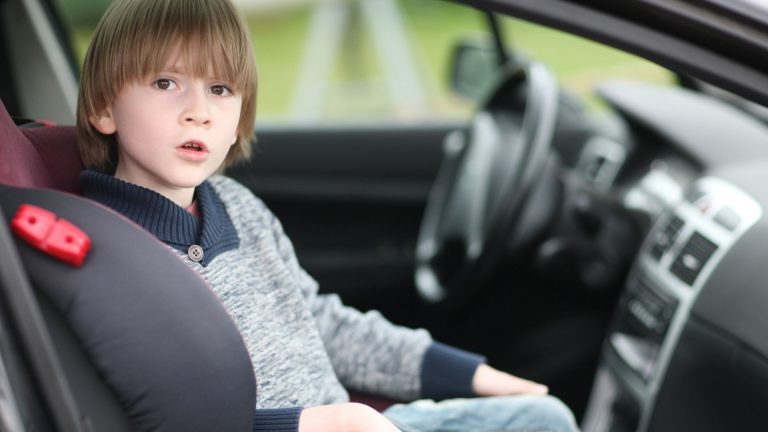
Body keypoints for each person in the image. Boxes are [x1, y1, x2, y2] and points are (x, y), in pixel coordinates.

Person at [75, 0, 579, 431]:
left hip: (348, 422)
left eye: (220, 90)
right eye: (166, 82)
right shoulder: (107, 251)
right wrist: (308, 424)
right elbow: (157, 418)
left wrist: (471, 375)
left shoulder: (238, 208)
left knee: (545, 417)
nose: (198, 111)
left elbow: (324, 326)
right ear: (104, 108)